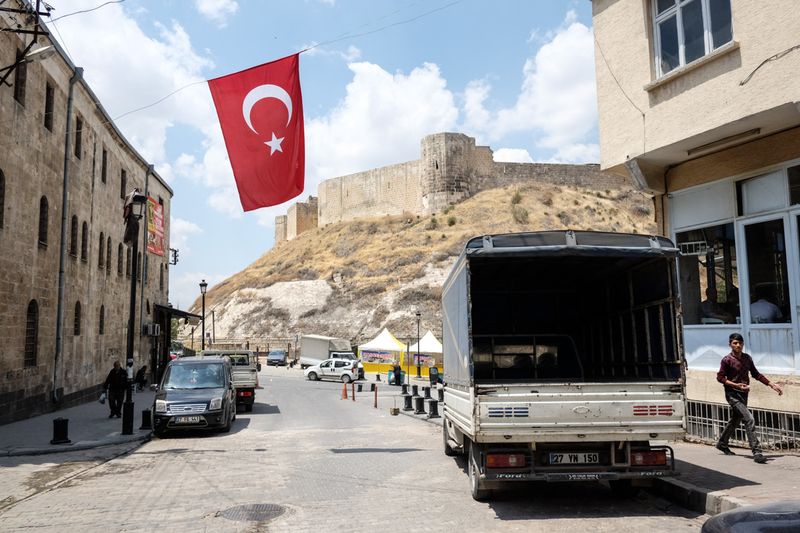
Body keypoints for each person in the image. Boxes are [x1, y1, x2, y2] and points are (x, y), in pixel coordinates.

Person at [715, 333, 783, 463]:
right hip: (732, 394)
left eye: (740, 343)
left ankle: (722, 443)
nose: (738, 345)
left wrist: (772, 385)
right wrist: (735, 385)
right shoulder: (726, 360)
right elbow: (720, 378)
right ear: (730, 344)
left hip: (744, 394)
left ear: (743, 344)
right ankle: (757, 452)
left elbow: (756, 374)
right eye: (735, 343)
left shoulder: (747, 358)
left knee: (736, 419)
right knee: (749, 419)